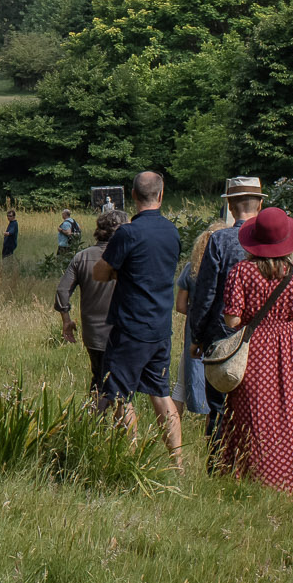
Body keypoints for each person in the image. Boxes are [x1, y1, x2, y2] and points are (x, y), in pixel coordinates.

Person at [207, 206, 293, 499]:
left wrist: (253, 317)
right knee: (291, 414)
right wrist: (284, 320)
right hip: (287, 349)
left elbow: (232, 320)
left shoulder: (242, 272)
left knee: (253, 413)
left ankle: (252, 477)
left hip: (253, 348)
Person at [90, 171, 183, 466]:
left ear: (132, 196)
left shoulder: (128, 233)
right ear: (161, 193)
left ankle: (129, 461)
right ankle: (177, 463)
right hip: (160, 328)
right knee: (161, 394)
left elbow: (99, 273)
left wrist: (121, 271)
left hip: (130, 328)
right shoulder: (172, 232)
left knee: (121, 396)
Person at [177, 176, 265, 415]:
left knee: (219, 408)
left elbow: (206, 294)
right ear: (259, 205)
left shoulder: (219, 240)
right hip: (262, 337)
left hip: (221, 335)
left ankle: (218, 452)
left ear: (230, 206)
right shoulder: (271, 242)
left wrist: (196, 337)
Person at [54, 207, 125, 389]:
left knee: (99, 378)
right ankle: (115, 415)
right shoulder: (127, 257)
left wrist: (66, 320)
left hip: (93, 333)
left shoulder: (81, 257)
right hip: (123, 331)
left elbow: (62, 290)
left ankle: (93, 415)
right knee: (120, 385)